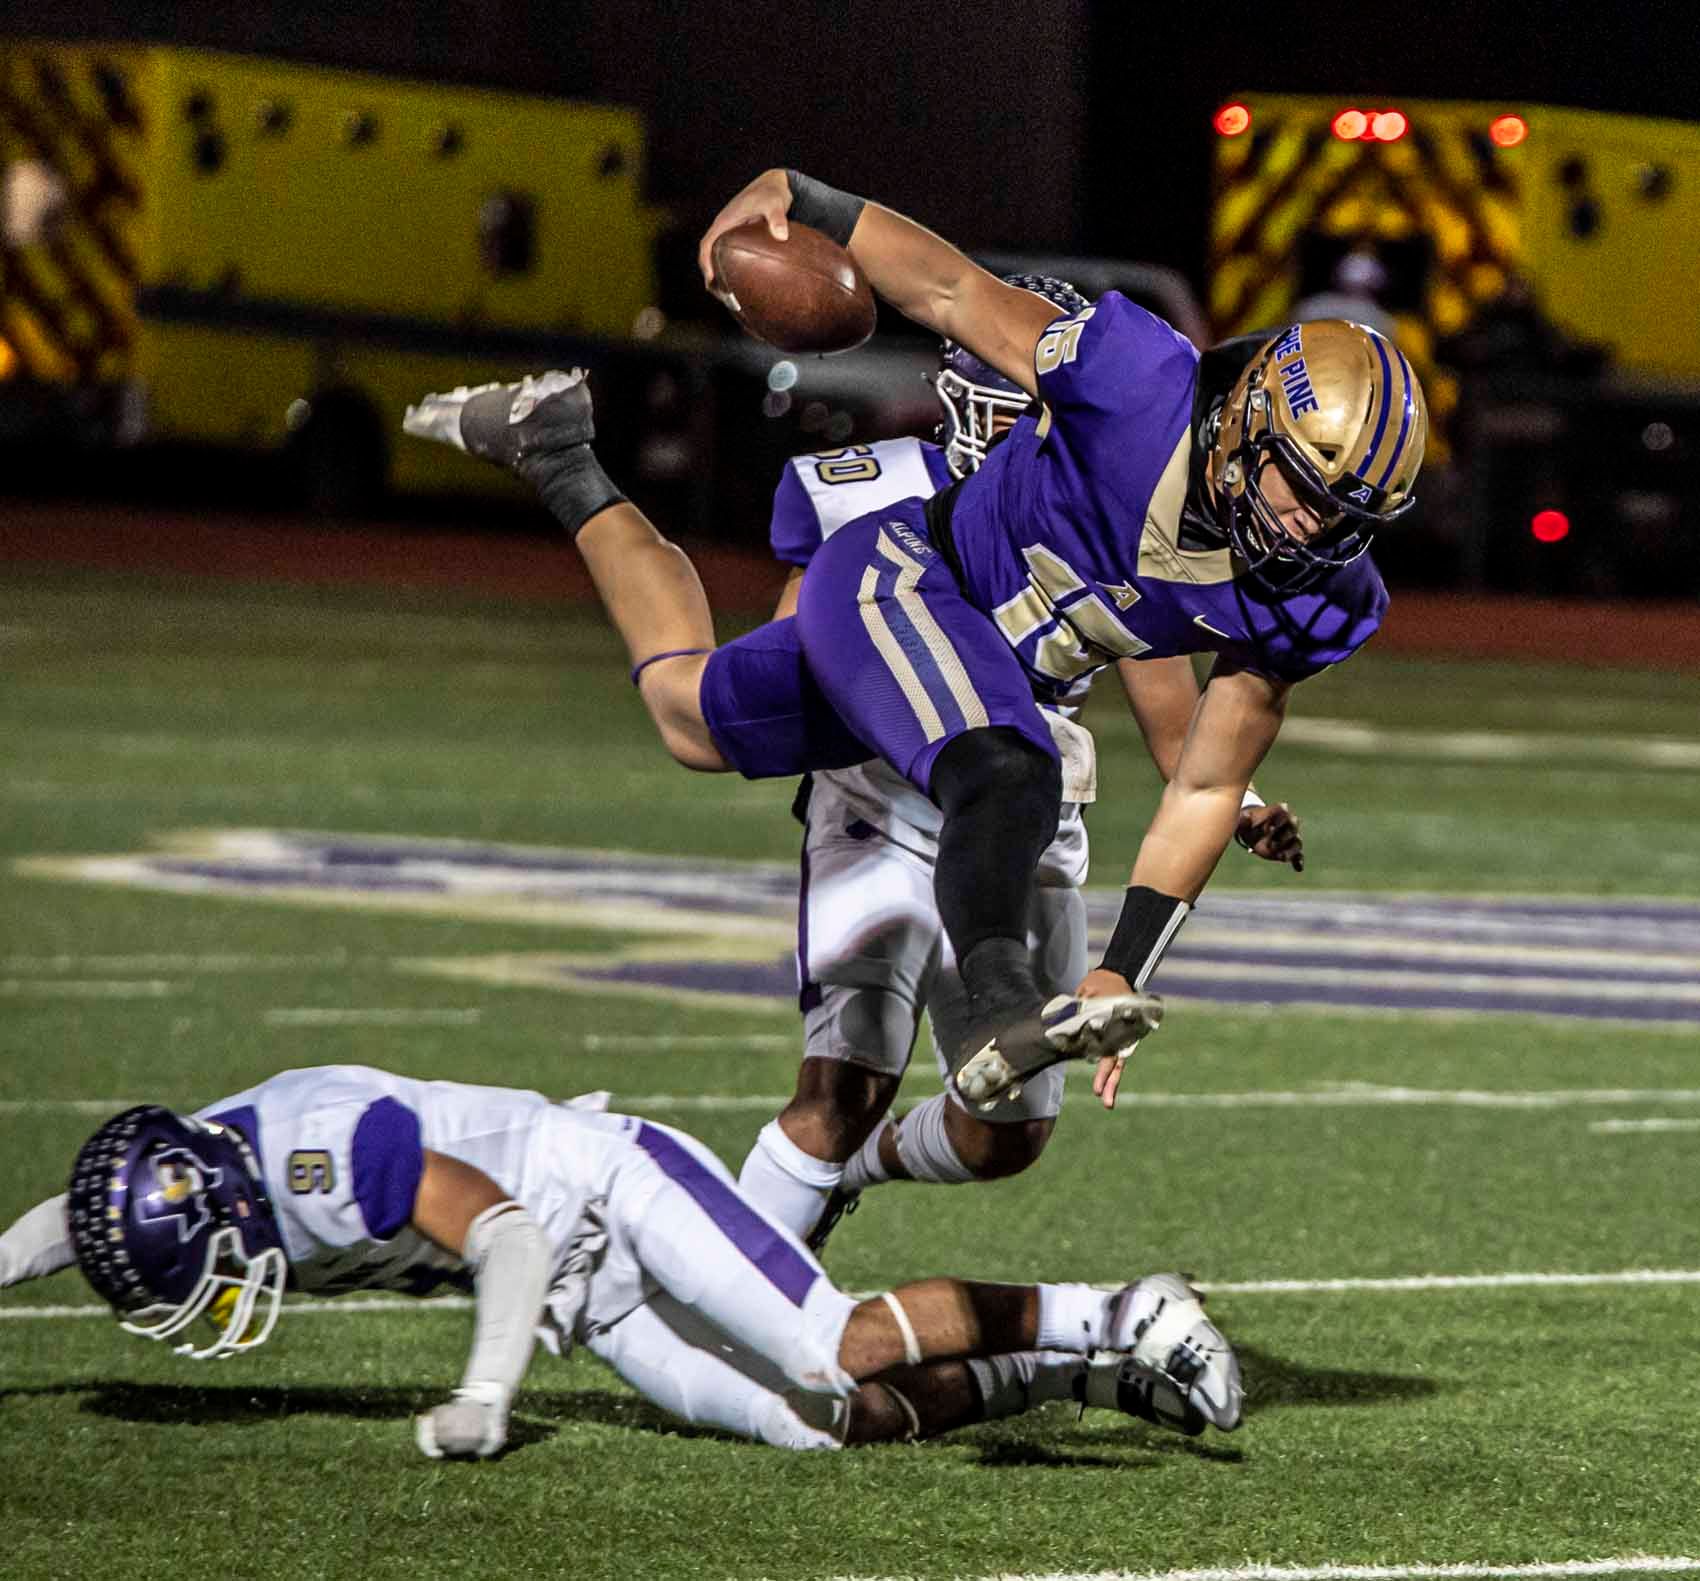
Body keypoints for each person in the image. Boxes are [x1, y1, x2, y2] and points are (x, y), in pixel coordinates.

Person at [402, 165, 1427, 1119]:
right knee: (1009, 768)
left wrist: (1125, 967)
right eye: (1305, 490)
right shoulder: (1129, 387)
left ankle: (559, 457)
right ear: (1250, 419)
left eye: (1349, 516)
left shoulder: (1316, 592)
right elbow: (945, 290)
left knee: (687, 717)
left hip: (970, 683)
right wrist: (799, 194)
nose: (1314, 530)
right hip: (901, 578)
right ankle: (997, 1003)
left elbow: (1196, 778)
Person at [739, 281, 1305, 1251]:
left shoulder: (1118, 514)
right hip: (889, 790)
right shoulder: (870, 487)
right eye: (1011, 409)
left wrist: (1238, 798)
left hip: (1033, 815)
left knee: (1007, 1130)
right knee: (842, 1084)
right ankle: (712, 1302)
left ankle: (851, 1177)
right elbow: (798, 646)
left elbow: (1177, 725)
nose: (1025, 434)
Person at [0, 1065, 1242, 1456]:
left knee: (828, 1339)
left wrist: (483, 1398)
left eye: (195, 1269)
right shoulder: (178, 1175)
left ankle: (1121, 1308)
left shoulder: (325, 1157)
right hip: (581, 1296)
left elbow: (508, 1236)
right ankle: (1078, 1380)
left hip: (601, 1190)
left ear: (223, 1192)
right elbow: (79, 1222)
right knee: (828, 1423)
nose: (206, 1296)